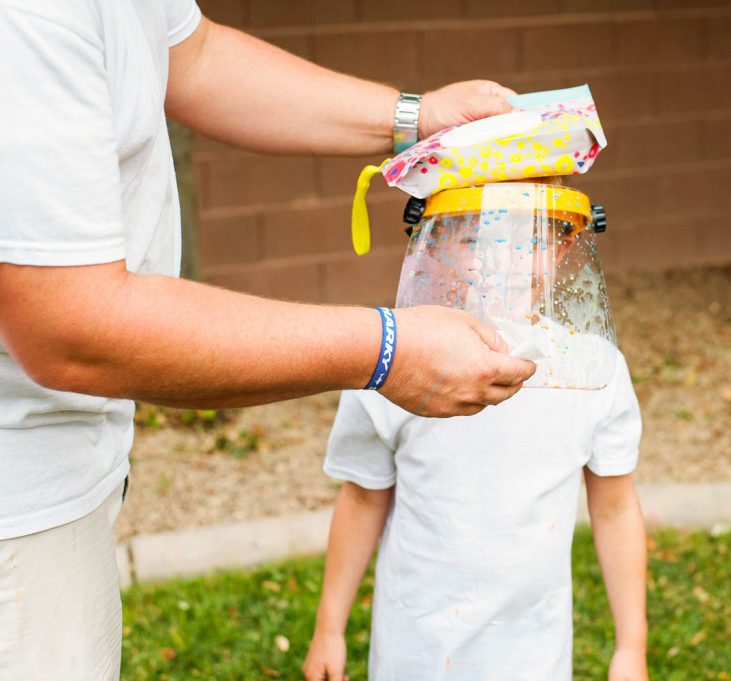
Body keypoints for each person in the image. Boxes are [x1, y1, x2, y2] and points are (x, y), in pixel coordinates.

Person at [0, 1, 535, 678]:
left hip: (67, 463)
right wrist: (386, 348)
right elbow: (69, 327)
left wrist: (414, 118)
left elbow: (192, 56)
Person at [303, 186, 649, 681]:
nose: (500, 261)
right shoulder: (394, 365)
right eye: (473, 238)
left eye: (530, 240)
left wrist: (631, 646)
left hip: (534, 648)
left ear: (566, 246)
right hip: (416, 646)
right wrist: (329, 629)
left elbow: (615, 508)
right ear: (434, 243)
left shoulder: (594, 371)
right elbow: (361, 499)